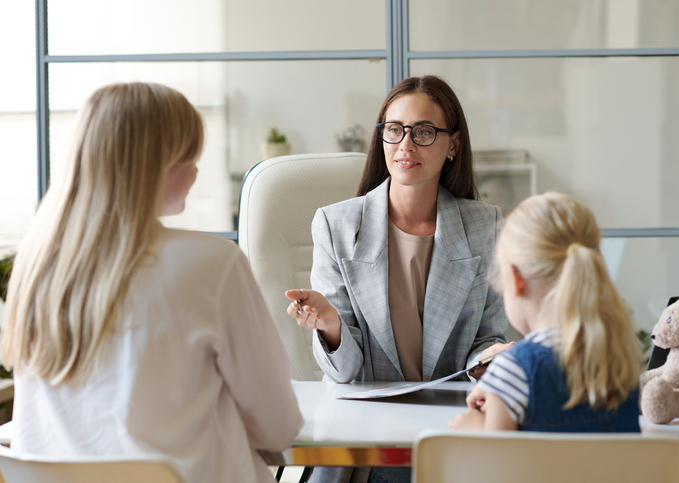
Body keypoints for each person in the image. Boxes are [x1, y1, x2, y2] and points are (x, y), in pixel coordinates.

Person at [1, 82, 303, 483]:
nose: (197, 170)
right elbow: (278, 425)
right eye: (187, 156)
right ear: (148, 163)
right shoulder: (211, 264)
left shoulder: (37, 266)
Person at [285, 76, 511, 483]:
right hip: (364, 439)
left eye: (424, 132)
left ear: (453, 145)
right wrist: (331, 325)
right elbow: (345, 372)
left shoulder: (484, 225)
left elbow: (484, 340)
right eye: (394, 130)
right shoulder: (336, 225)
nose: (405, 144)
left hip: (447, 427)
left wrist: (496, 359)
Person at [449, 192, 641, 433]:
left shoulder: (514, 368)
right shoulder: (620, 357)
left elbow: (497, 468)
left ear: (516, 279)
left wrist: (476, 428)